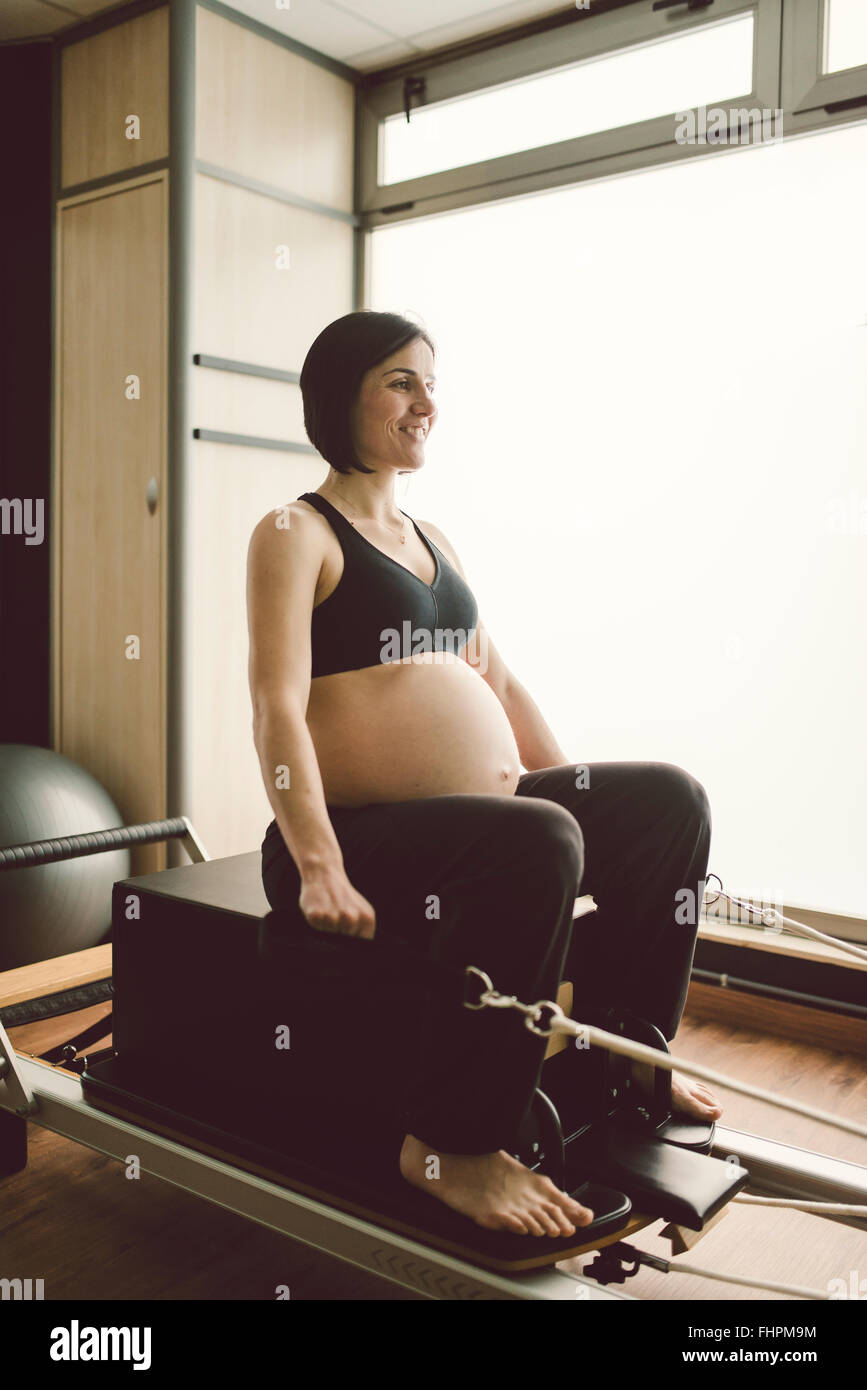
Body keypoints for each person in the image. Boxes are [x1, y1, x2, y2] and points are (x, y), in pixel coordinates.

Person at [247, 310, 720, 1239]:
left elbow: (495, 681)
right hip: (355, 838)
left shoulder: (435, 542)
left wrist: (585, 798)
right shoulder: (295, 531)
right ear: (340, 395)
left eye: (431, 382)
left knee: (668, 799)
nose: (426, 401)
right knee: (537, 836)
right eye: (399, 381)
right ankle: (449, 1146)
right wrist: (317, 864)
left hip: (477, 825)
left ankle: (631, 1049)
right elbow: (274, 706)